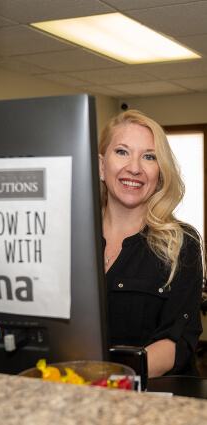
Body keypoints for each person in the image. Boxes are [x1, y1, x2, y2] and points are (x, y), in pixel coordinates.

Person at [98, 110, 204, 378]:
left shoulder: (181, 243)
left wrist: (106, 380)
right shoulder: (69, 236)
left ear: (160, 173)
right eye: (122, 151)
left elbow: (174, 345)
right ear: (101, 166)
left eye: (149, 157)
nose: (134, 167)